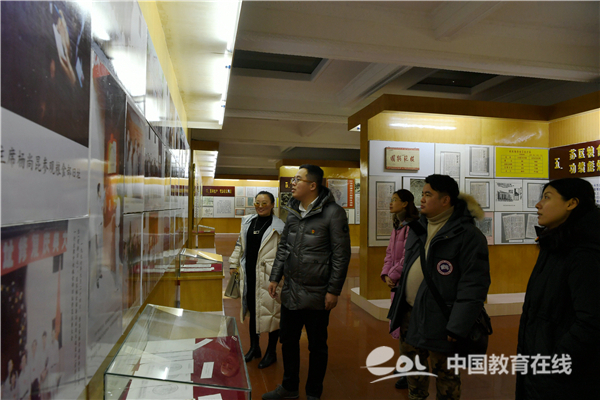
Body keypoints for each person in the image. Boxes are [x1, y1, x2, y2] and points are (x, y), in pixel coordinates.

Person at [388, 174, 490, 400]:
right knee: (413, 370)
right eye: (422, 194)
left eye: (428, 194)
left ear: (445, 200)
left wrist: (458, 325)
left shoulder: (468, 236)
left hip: (443, 320)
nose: (422, 199)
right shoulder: (417, 228)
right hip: (409, 314)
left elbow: (474, 285)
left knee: (446, 376)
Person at [263, 165, 351, 400]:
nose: (293, 183)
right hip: (291, 291)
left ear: (313, 185)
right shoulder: (293, 211)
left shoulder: (333, 213)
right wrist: (275, 277)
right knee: (288, 341)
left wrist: (333, 290)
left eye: (298, 179)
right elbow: (284, 247)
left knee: (317, 346)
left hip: (318, 293)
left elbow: (341, 255)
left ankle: (313, 393)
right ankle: (289, 387)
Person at [516, 178, 600, 399]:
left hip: (564, 378)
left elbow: (592, 320)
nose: (538, 205)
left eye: (547, 197)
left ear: (571, 203)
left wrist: (557, 362)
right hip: (539, 368)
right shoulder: (554, 244)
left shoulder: (584, 254)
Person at [229, 191, 285, 369]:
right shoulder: (247, 222)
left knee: (272, 312)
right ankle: (255, 347)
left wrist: (280, 275)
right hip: (249, 274)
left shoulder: (279, 227)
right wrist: (233, 263)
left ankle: (271, 352)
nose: (260, 206)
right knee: (253, 310)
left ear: (272, 204)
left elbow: (283, 254)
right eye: (257, 203)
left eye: (264, 203)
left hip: (270, 276)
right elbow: (240, 244)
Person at [380, 189, 419, 390]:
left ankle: (410, 371)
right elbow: (390, 253)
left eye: (394, 200)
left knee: (408, 328)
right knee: (401, 325)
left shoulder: (413, 226)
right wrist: (386, 273)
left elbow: (408, 256)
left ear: (405, 203)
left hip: (407, 283)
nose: (390, 203)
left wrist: (393, 274)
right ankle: (405, 364)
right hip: (397, 283)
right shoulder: (398, 225)